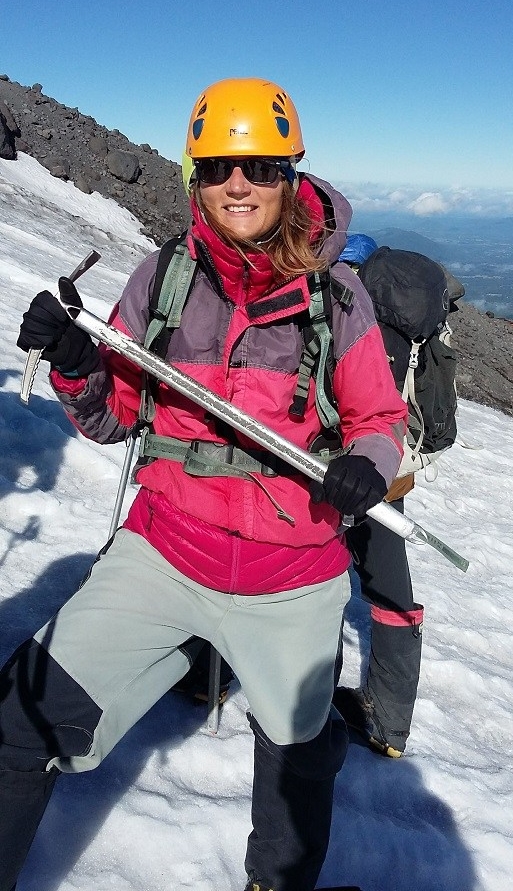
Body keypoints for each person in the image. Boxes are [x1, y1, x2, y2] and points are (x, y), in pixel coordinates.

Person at [0, 78, 408, 891]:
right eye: (220, 164)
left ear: (289, 174)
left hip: (292, 576)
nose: (238, 184)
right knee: (20, 721)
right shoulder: (161, 281)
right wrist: (80, 370)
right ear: (196, 175)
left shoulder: (338, 297)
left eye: (258, 166)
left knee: (294, 779)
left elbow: (379, 419)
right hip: (162, 551)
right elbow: (117, 416)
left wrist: (369, 462)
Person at [333, 233, 424, 759]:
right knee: (389, 585)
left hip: (336, 470)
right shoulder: (404, 311)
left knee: (309, 573)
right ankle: (389, 727)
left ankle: (309, 703)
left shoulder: (340, 304)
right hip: (392, 473)